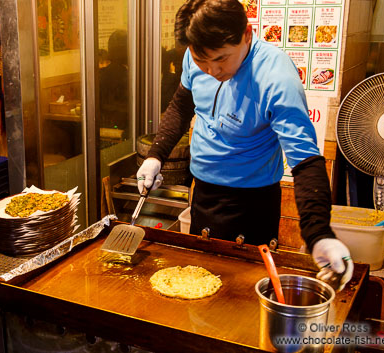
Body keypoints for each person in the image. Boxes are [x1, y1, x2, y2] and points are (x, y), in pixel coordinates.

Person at [136, 0, 353, 290]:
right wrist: (156, 155)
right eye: (202, 61)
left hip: (253, 201)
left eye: (222, 59)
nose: (212, 70)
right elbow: (181, 105)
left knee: (244, 292)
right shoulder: (196, 54)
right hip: (203, 192)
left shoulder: (276, 77)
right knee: (199, 282)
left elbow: (305, 161)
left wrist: (319, 233)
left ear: (247, 34)